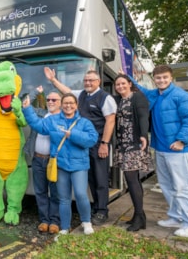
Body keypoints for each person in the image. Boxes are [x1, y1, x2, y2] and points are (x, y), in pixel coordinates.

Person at [127, 65, 188, 238]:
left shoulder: (181, 96)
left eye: (165, 77)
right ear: (154, 79)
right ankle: (176, 217)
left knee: (183, 187)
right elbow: (142, 90)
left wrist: (182, 140)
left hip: (177, 149)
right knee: (167, 186)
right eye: (158, 78)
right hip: (160, 148)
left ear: (171, 78)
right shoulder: (155, 95)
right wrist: (127, 76)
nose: (161, 80)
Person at [44, 67, 117, 225]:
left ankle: (102, 211)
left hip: (98, 143)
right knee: (90, 179)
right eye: (85, 80)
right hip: (81, 144)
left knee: (101, 179)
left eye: (91, 80)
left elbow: (110, 121)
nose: (88, 83)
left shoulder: (105, 98)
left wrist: (104, 144)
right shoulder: (81, 95)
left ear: (98, 82)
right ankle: (95, 208)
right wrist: (53, 80)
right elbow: (67, 91)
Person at [22, 93, 99, 241]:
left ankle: (86, 222)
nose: (68, 105)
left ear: (76, 105)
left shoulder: (84, 122)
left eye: (71, 103)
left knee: (81, 194)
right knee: (64, 198)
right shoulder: (53, 120)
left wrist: (73, 134)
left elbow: (92, 139)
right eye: (65, 103)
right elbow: (39, 126)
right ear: (62, 105)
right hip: (61, 165)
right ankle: (64, 228)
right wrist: (27, 110)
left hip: (79, 165)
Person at [113, 74, 152, 232]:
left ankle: (139, 216)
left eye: (123, 83)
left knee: (132, 179)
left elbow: (143, 117)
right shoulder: (119, 100)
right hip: (122, 144)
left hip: (134, 144)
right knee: (132, 180)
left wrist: (143, 135)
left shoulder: (137, 97)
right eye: (117, 84)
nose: (120, 86)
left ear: (130, 83)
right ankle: (139, 216)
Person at [23, 87, 61, 234]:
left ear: (60, 102)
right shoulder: (41, 114)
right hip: (38, 158)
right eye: (48, 99)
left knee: (55, 191)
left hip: (53, 161)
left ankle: (55, 221)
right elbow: (26, 105)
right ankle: (44, 220)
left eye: (54, 100)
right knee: (40, 191)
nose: (50, 102)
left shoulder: (63, 118)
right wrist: (36, 92)